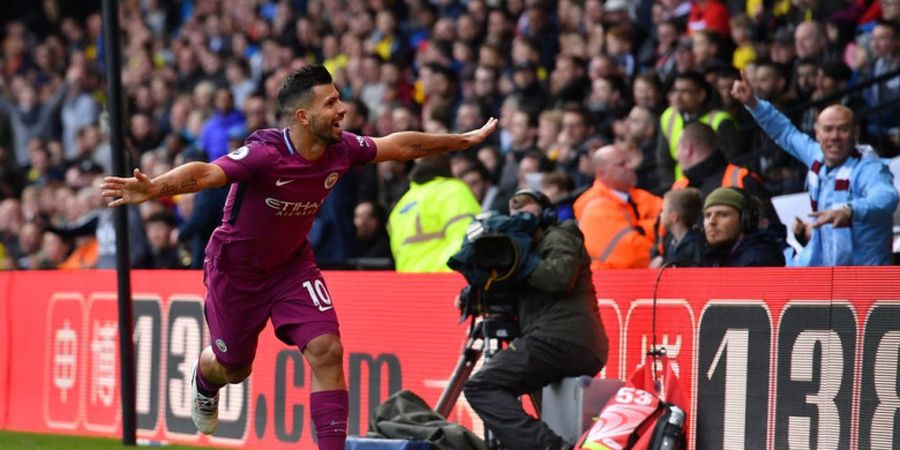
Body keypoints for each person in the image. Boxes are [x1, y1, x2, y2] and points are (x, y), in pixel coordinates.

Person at [100, 65, 497, 448]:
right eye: (331, 103)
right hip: (236, 271)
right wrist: (155, 189)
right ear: (304, 116)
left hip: (292, 265)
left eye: (339, 99)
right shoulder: (264, 153)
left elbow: (400, 145)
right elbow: (206, 174)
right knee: (234, 368)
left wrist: (460, 141)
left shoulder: (342, 148)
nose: (342, 109)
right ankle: (206, 381)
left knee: (328, 350)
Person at [462, 190, 608, 450]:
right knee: (550, 418)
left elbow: (560, 277)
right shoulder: (519, 250)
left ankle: (551, 448)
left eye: (527, 215)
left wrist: (521, 266)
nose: (519, 222)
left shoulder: (560, 234)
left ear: (546, 215)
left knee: (481, 387)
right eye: (514, 216)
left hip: (562, 338)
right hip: (556, 339)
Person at [732, 69, 899, 266]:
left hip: (866, 276)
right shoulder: (816, 156)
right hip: (828, 269)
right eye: (828, 129)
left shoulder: (869, 168)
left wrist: (849, 211)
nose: (834, 136)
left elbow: (886, 197)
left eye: (843, 129)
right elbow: (785, 132)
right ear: (817, 134)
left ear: (855, 133)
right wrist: (754, 104)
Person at [574, 143, 662, 269]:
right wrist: (658, 243)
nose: (630, 167)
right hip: (611, 283)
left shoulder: (639, 196)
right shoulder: (594, 206)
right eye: (621, 164)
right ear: (602, 173)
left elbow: (674, 221)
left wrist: (640, 229)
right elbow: (630, 253)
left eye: (629, 161)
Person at [702, 187, 785, 267]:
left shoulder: (757, 260)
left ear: (745, 220)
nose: (711, 222)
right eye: (707, 215)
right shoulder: (711, 257)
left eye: (723, 215)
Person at [659, 187, 705, 267]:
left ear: (674, 217)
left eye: (663, 211)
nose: (660, 214)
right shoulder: (672, 242)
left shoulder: (694, 245)